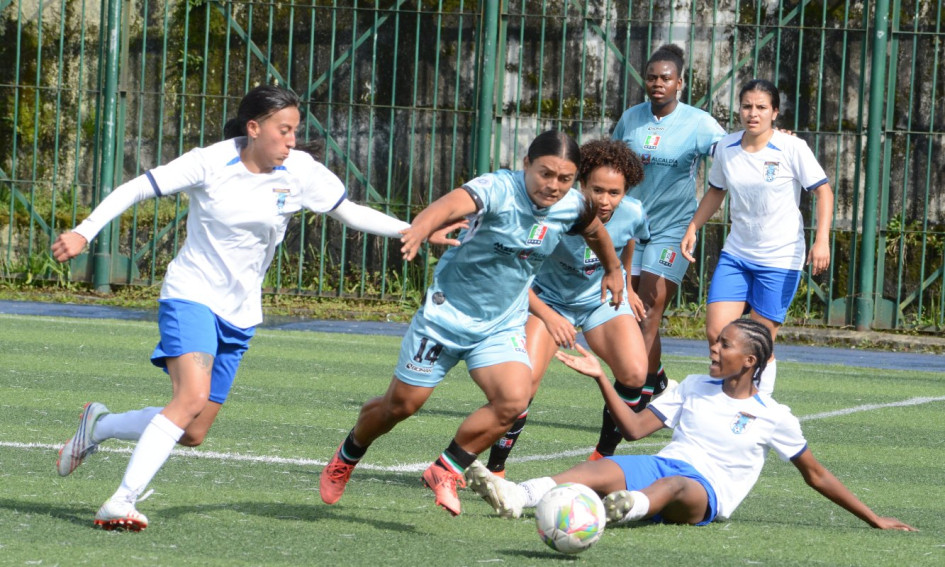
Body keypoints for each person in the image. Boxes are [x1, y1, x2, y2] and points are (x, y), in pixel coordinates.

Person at [52, 85, 450, 531]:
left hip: (240, 313)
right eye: (285, 131)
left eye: (296, 131)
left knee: (193, 431)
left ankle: (99, 426)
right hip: (191, 295)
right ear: (254, 127)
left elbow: (350, 212)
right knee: (190, 397)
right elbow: (135, 189)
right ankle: (121, 500)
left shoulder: (300, 170)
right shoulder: (210, 161)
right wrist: (85, 232)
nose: (293, 141)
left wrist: (416, 230)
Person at [319, 130, 626, 516]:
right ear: (526, 164)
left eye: (565, 179)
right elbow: (449, 205)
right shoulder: (497, 188)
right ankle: (348, 454)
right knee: (400, 406)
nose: (553, 186)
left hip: (500, 324)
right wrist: (420, 227)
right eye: (545, 174)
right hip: (445, 317)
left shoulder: (573, 206)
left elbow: (595, 230)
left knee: (513, 400)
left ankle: (446, 469)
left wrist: (613, 270)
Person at [465, 319, 917, 532]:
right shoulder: (694, 385)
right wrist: (602, 376)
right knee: (596, 471)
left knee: (679, 486)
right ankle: (516, 495)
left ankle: (623, 508)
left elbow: (815, 474)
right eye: (716, 343)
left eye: (724, 346)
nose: (714, 350)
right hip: (664, 466)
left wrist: (873, 518)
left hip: (707, 492)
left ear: (750, 360)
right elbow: (636, 429)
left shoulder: (774, 416)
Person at [481, 139, 649, 477]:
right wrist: (545, 311)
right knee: (522, 383)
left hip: (599, 302)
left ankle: (603, 458)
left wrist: (626, 282)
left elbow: (629, 238)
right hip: (549, 300)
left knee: (635, 375)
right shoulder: (555, 210)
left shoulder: (633, 212)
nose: (604, 201)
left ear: (626, 192)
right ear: (580, 183)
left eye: (614, 193)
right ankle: (495, 469)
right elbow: (516, 266)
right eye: (597, 190)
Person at [607, 44, 726, 457]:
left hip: (673, 230)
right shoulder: (631, 119)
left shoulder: (699, 124)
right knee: (629, 307)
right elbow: (612, 164)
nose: (658, 84)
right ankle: (655, 380)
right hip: (632, 227)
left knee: (651, 305)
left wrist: (770, 136)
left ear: (680, 82)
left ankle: (634, 394)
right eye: (651, 77)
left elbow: (731, 154)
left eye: (666, 77)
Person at [681, 78, 834, 394]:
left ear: (774, 112)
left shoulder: (792, 147)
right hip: (737, 255)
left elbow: (824, 192)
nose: (753, 113)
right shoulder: (726, 147)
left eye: (761, 107)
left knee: (758, 343)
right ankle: (724, 400)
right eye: (747, 106)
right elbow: (716, 191)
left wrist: (822, 240)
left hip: (780, 258)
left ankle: (757, 406)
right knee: (718, 333)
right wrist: (693, 226)